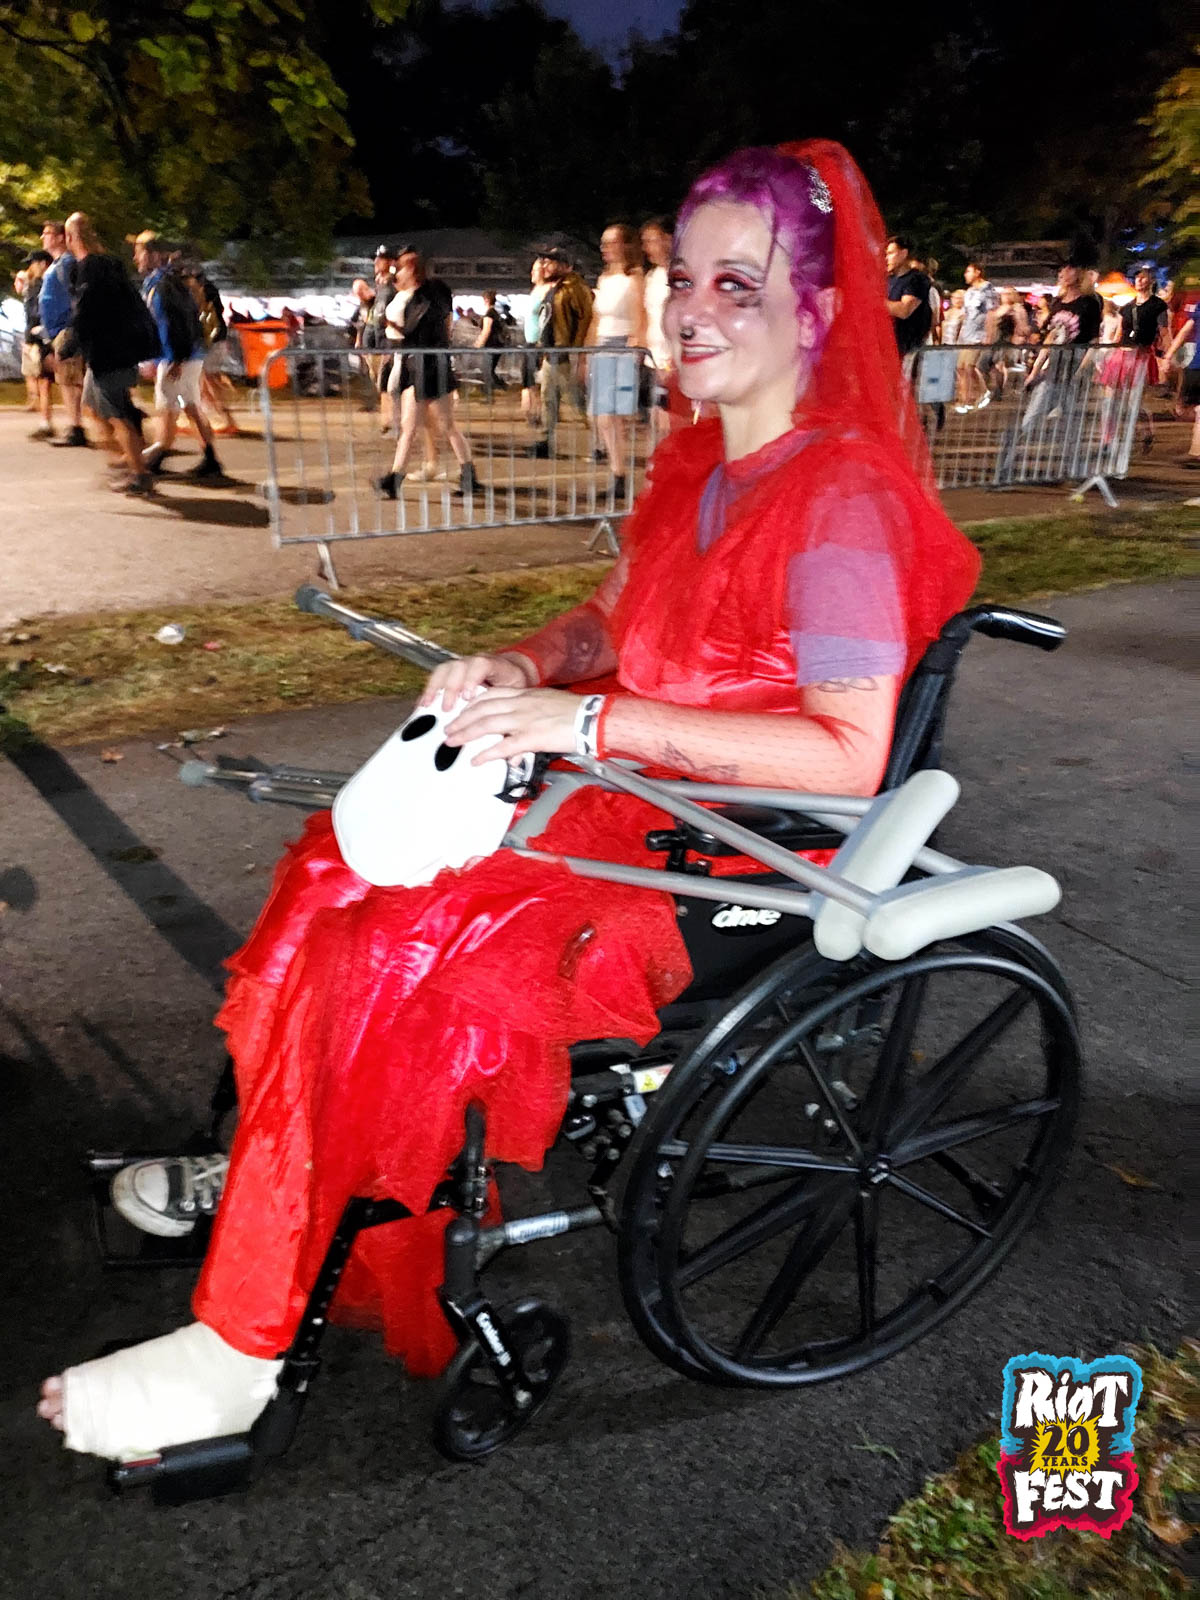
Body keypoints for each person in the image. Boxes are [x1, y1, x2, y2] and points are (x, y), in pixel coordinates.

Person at [38, 138, 981, 1464]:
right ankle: (277, 1168)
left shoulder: (839, 505)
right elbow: (610, 620)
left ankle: (243, 1343)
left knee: (393, 943)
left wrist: (582, 721)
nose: (693, 309)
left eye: (739, 285)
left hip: (734, 858)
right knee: (331, 873)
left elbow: (844, 755)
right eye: (683, 275)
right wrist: (527, 665)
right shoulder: (705, 468)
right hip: (625, 800)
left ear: (819, 313)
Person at [63, 213, 162, 495]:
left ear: (71, 238)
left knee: (118, 414)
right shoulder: (108, 265)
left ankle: (140, 473)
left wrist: (69, 344)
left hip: (110, 353)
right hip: (116, 351)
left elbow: (86, 311)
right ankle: (128, 457)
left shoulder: (90, 269)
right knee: (92, 406)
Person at [378, 246, 477, 497]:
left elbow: (417, 332)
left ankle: (468, 475)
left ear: (412, 269)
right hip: (417, 366)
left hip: (430, 367)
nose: (397, 272)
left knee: (445, 425)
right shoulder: (416, 296)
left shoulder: (428, 297)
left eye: (401, 268)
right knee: (410, 426)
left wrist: (392, 325)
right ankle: (394, 479)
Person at [131, 232, 224, 480]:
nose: (135, 258)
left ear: (154, 255)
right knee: (190, 405)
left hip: (177, 355)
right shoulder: (168, 281)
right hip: (188, 354)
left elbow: (175, 324)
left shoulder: (163, 285)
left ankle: (158, 455)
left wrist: (176, 359)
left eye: (139, 252)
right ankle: (210, 459)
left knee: (166, 405)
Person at [584, 223, 646, 501]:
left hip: (623, 344)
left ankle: (620, 473)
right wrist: (587, 352)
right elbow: (596, 319)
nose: (605, 249)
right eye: (603, 243)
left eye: (611, 243)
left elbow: (641, 314)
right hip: (603, 344)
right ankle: (617, 471)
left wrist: (638, 344)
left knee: (616, 414)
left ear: (625, 245)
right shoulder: (605, 279)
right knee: (601, 416)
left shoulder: (635, 277)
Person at [530, 246, 593, 459]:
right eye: (545, 262)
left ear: (565, 265)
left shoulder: (575, 287)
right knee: (549, 399)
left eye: (551, 262)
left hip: (566, 353)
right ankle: (545, 442)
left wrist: (577, 351)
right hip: (552, 353)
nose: (546, 266)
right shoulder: (555, 287)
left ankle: (598, 443)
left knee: (576, 401)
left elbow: (585, 319)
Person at [38, 219, 87, 448]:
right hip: (57, 330)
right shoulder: (57, 264)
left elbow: (75, 296)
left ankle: (76, 427)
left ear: (60, 238)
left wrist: (71, 326)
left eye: (47, 233)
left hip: (65, 329)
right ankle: (75, 425)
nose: (43, 237)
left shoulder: (66, 263)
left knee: (70, 380)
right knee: (66, 380)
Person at [641, 216, 675, 441]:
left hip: (672, 359)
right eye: (645, 242)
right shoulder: (652, 276)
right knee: (656, 417)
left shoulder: (681, 274)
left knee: (668, 419)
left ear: (669, 239)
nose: (647, 248)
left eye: (652, 240)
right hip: (654, 358)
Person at [20, 250, 55, 439]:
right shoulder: (34, 285)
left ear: (42, 263)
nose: (30, 267)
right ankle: (45, 421)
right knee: (43, 380)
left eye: (33, 263)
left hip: (43, 337)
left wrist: (32, 338)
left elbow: (37, 314)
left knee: (47, 380)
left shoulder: (43, 284)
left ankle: (47, 422)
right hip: (37, 337)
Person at [1161, 304, 1200, 467]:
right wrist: (1168, 356)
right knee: (1181, 409)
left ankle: (1196, 452)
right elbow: (1185, 331)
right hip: (1196, 365)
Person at [884, 235, 932, 365]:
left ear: (904, 253)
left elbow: (904, 310)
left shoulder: (917, 279)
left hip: (909, 348)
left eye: (891, 253)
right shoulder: (889, 280)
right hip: (889, 346)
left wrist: (875, 301)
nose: (887, 258)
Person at [520, 255, 551, 431]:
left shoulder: (546, 291)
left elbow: (545, 317)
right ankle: (532, 412)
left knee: (536, 382)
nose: (532, 273)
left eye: (536, 270)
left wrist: (543, 343)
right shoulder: (535, 290)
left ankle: (538, 414)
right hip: (529, 342)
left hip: (538, 343)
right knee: (528, 381)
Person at [473, 288, 507, 399]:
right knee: (490, 370)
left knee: (487, 371)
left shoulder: (489, 314)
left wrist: (478, 344)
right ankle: (501, 387)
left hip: (491, 345)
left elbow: (486, 331)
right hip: (497, 345)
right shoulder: (495, 313)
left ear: (486, 300)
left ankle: (489, 395)